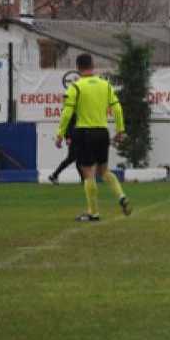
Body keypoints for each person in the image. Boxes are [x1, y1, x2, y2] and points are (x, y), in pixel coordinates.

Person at [56, 54, 131, 222]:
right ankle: (121, 196)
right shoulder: (105, 85)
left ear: (78, 67)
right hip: (102, 132)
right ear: (93, 66)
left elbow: (67, 112)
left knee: (88, 173)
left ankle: (93, 212)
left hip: (84, 133)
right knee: (104, 171)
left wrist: (60, 134)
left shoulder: (75, 87)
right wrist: (120, 130)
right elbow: (117, 108)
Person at [48, 111, 82, 184]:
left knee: (75, 159)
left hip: (76, 138)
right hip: (74, 139)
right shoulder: (72, 112)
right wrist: (68, 137)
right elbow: (68, 125)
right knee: (74, 159)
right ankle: (54, 175)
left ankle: (54, 175)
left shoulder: (75, 111)